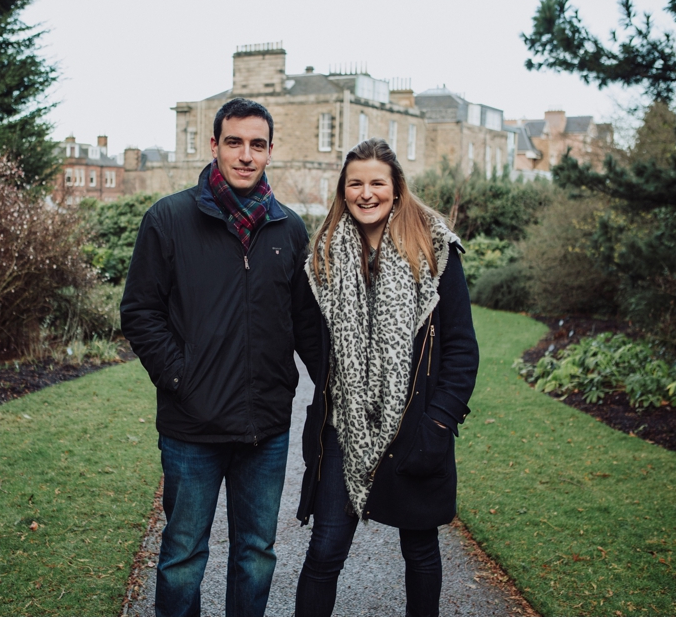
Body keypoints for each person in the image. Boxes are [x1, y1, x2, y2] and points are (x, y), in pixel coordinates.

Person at [121, 100, 320, 617]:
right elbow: (140, 312)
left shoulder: (289, 230)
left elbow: (304, 325)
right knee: (183, 557)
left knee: (256, 555)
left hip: (266, 427)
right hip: (192, 427)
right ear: (214, 146)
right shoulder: (168, 219)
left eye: (257, 145)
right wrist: (180, 374)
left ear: (271, 151)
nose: (246, 155)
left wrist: (338, 387)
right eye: (234, 142)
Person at [293, 139, 478, 618]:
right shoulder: (325, 255)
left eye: (377, 182)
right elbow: (310, 339)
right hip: (345, 426)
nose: (366, 192)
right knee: (325, 551)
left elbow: (461, 348)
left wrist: (438, 424)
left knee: (419, 551)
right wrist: (348, 384)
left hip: (416, 425)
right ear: (343, 189)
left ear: (396, 188)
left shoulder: (434, 249)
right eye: (355, 183)